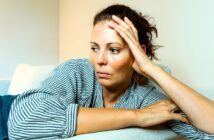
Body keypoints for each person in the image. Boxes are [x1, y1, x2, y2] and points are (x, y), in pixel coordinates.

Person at [7, 4, 214, 139]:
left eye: (114, 50)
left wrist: (151, 69)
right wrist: (137, 117)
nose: (100, 60)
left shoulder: (145, 98)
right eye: (95, 48)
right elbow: (21, 120)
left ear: (137, 53)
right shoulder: (77, 71)